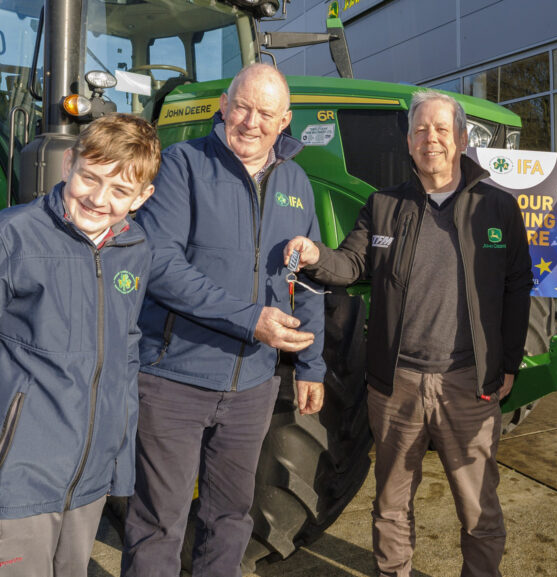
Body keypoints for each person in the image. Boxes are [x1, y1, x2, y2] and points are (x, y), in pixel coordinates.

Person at [285, 89, 532, 577]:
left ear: (461, 139)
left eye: (442, 129)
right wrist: (315, 255)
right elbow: (352, 262)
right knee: (391, 504)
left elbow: (517, 285)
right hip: (394, 387)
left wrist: (507, 364)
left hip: (468, 384)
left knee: (479, 509)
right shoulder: (383, 206)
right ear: (409, 142)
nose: (431, 139)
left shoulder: (497, 207)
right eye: (420, 130)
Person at [0, 113, 161, 576]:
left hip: (87, 486)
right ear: (69, 163)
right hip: (15, 486)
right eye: (90, 177)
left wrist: (117, 467)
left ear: (143, 196)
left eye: (121, 191)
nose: (99, 199)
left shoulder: (136, 248)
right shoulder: (7, 239)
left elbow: (126, 357)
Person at [121, 63, 326, 577]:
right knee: (158, 522)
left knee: (231, 517)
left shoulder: (297, 183)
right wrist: (250, 319)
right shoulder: (182, 166)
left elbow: (307, 278)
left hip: (252, 386)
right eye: (242, 106)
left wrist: (312, 365)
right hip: (174, 381)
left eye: (266, 113)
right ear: (223, 106)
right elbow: (161, 267)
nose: (251, 121)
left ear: (285, 121)